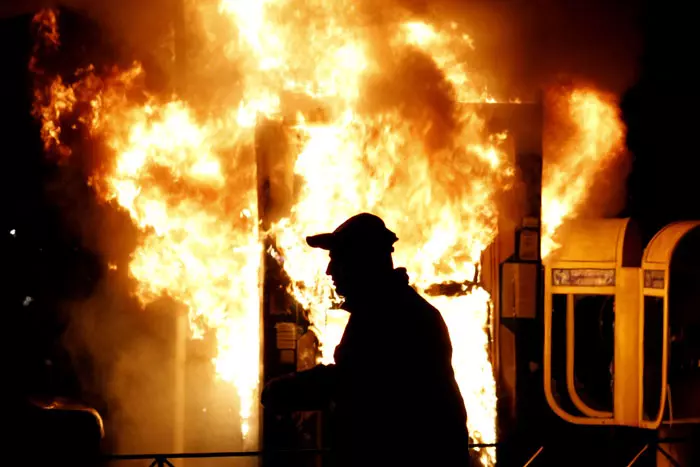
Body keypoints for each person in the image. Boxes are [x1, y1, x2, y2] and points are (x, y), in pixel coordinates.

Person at [262, 213, 470, 467]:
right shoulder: (386, 309)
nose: (329, 271)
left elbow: (353, 381)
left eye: (337, 259)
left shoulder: (392, 315)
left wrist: (286, 390)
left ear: (362, 261)